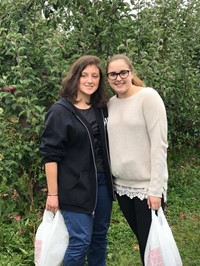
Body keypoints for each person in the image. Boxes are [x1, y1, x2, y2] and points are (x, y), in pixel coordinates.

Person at [40, 55, 115, 266]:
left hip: (102, 183)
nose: (90, 80)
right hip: (74, 185)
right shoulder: (60, 111)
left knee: (99, 237)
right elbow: (50, 156)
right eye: (84, 75)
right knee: (81, 240)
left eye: (95, 76)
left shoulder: (102, 108)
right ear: (75, 78)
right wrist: (53, 194)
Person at [106, 54, 168, 265]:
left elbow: (159, 145)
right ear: (107, 78)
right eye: (113, 74)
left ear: (131, 72)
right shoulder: (111, 104)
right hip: (122, 187)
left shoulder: (148, 97)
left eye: (123, 72)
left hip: (146, 188)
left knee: (152, 244)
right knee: (144, 242)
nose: (118, 78)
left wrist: (155, 189)